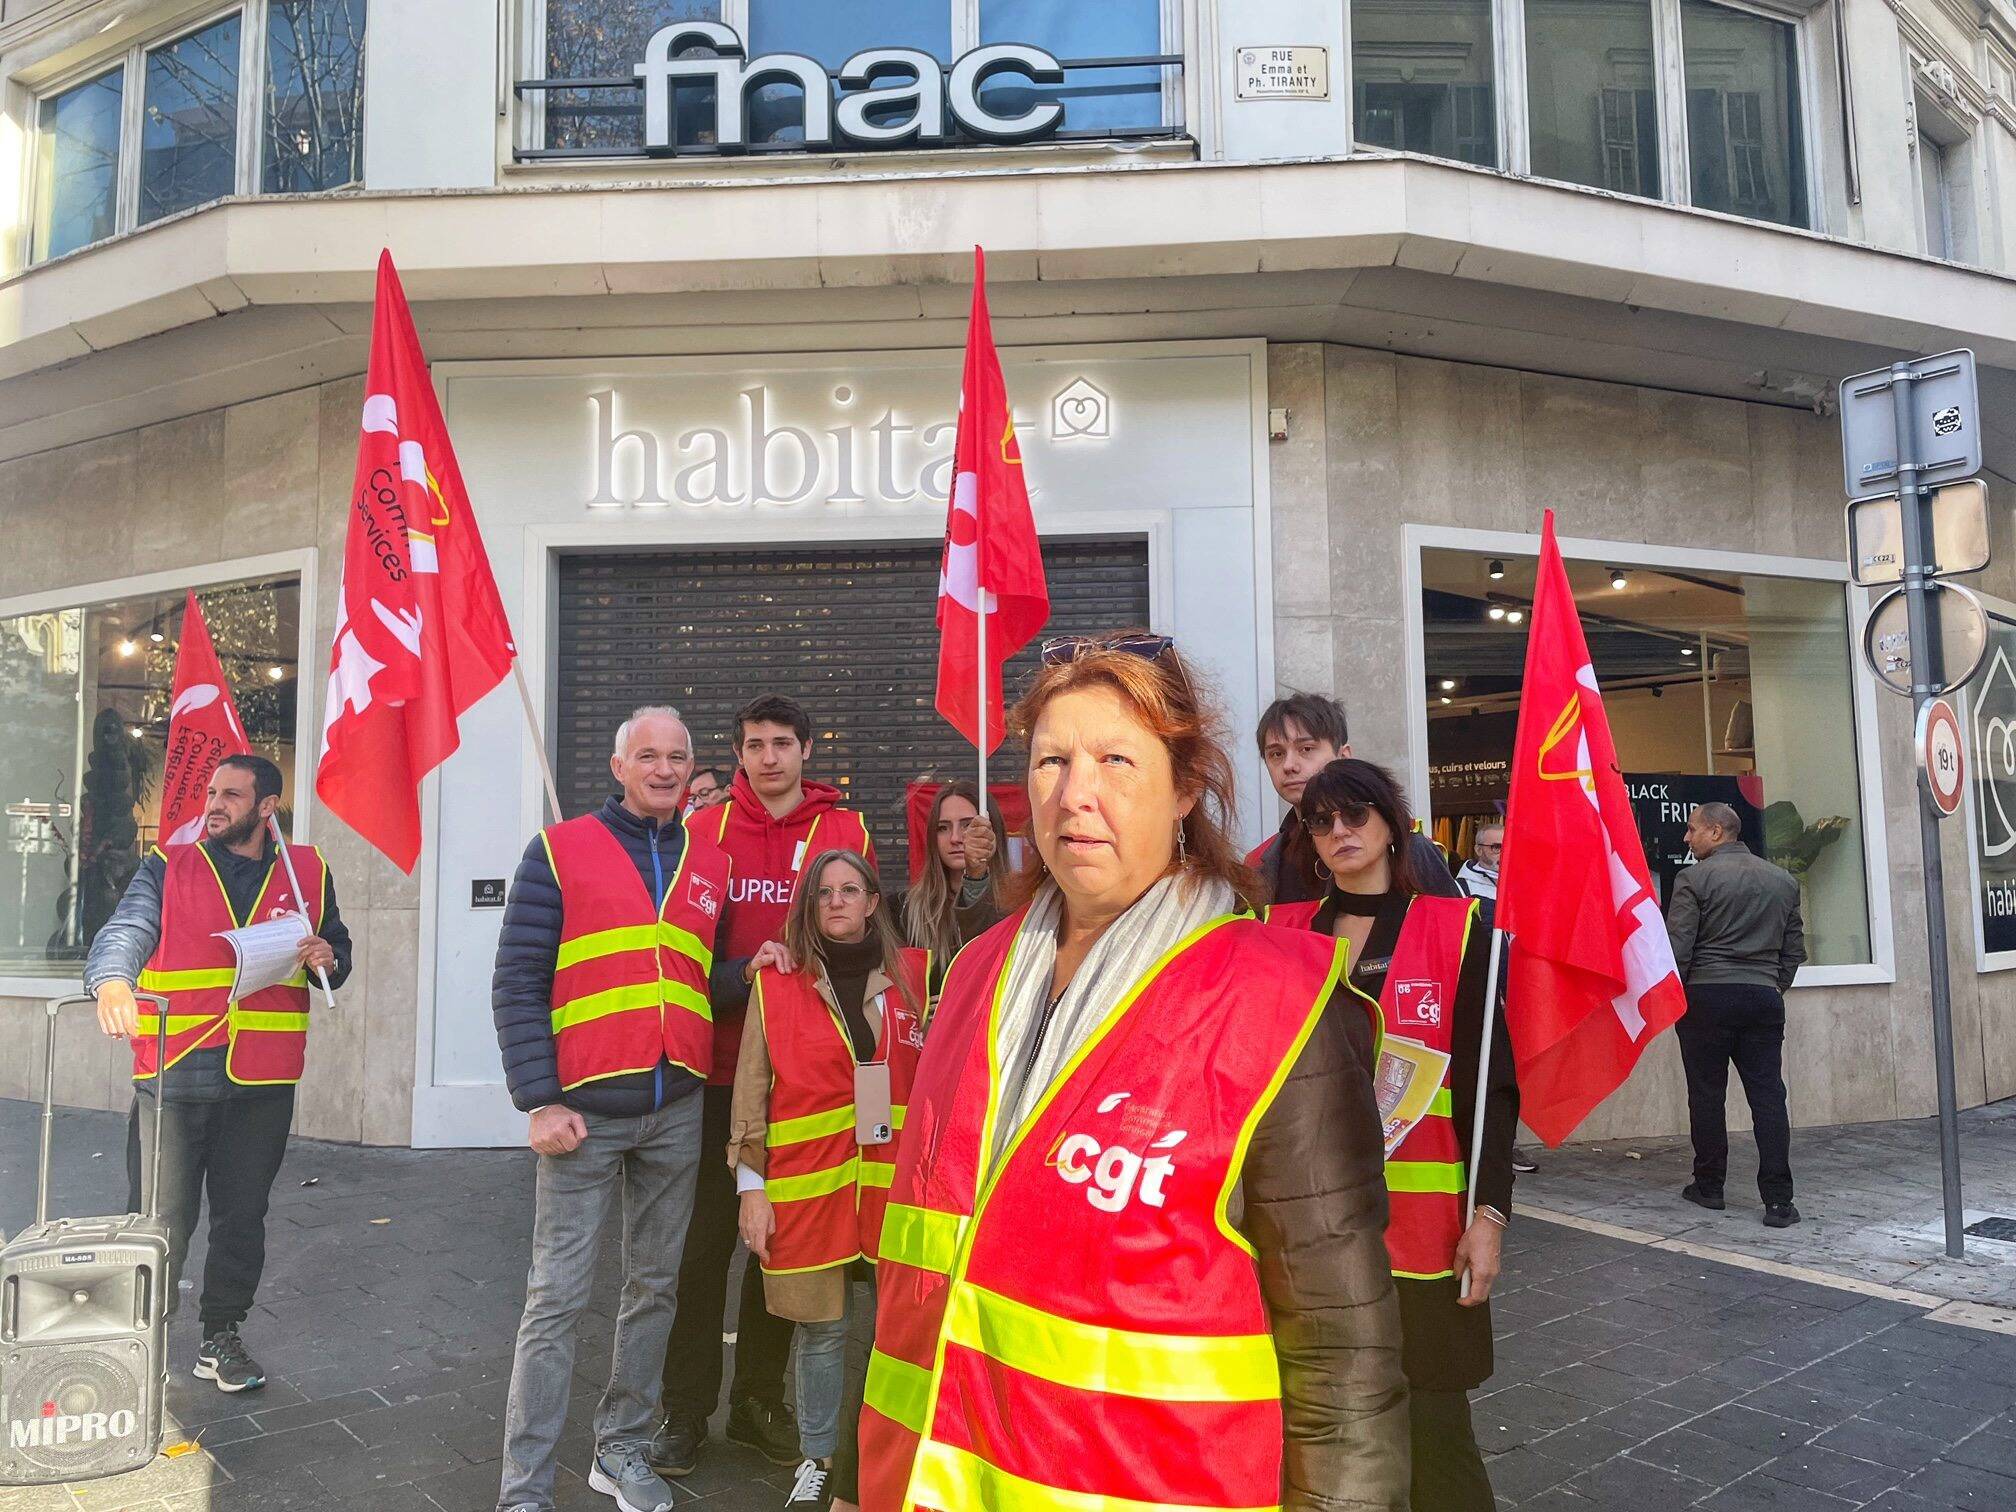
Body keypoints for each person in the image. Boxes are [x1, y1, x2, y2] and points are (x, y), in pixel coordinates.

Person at [859, 631, 1410, 1512]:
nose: (1076, 795)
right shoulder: (971, 976)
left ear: (1187, 785)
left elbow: (1343, 1361)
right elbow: (916, 1276)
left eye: (1116, 759)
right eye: (1050, 762)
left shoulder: (1281, 1005)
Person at [491, 707, 727, 1512]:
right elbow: (517, 980)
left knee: (653, 1289)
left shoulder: (711, 857)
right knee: (555, 1300)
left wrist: (756, 965)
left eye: (677, 757)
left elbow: (686, 979)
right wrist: (539, 1100)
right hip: (581, 1116)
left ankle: (620, 1451)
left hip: (676, 1107)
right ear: (619, 767)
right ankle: (523, 1490)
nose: (664, 769)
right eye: (648, 756)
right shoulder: (557, 851)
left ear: (691, 771)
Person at [1271, 758, 1519, 1512]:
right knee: (1321, 1435)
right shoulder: (1278, 939)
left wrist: (1490, 1216)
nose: (1340, 832)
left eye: (1355, 816)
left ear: (1391, 824)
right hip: (1310, 1239)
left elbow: (1491, 1087)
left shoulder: (1457, 929)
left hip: (1423, 1237)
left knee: (1439, 1436)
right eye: (1322, 821)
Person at [659, 694, 877, 1475]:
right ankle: (683, 1412)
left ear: (808, 749)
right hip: (717, 1078)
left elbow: (869, 946)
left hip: (812, 1090)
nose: (769, 757)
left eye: (782, 742)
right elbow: (677, 960)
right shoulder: (701, 831)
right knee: (702, 1249)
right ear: (740, 751)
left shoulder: (844, 832)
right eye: (754, 744)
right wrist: (737, 979)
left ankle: (757, 1403)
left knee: (778, 1252)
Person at [85, 753, 349, 1395]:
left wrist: (327, 956)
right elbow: (126, 930)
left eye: (232, 795)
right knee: (158, 1217)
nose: (215, 803)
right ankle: (134, 1340)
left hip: (262, 1079)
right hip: (175, 1070)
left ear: (266, 808)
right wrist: (112, 980)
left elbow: (335, 952)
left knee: (242, 1215)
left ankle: (220, 1337)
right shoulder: (166, 867)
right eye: (211, 792)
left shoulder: (305, 869)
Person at [730, 849, 929, 1511]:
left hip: (893, 1189)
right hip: (806, 1186)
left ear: (874, 901)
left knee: (892, 1328)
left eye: (851, 890)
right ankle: (818, 1458)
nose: (838, 901)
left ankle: (870, 1456)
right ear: (808, 907)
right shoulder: (776, 982)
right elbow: (751, 1093)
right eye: (824, 893)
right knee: (821, 1329)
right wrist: (749, 1190)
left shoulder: (917, 978)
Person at [1666, 801, 1806, 1228]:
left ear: (1715, 832)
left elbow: (1678, 949)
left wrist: (1684, 993)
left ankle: (1709, 1186)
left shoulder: (1693, 878)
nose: (1686, 838)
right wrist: (1772, 983)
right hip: (1762, 996)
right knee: (1768, 1097)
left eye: (1692, 830)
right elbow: (1794, 950)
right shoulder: (1782, 880)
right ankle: (1779, 1200)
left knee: (1707, 1095)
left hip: (1706, 996)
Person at [1250, 692, 1453, 905]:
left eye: (1306, 748)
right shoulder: (1263, 860)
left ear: (1343, 756)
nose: (1289, 765)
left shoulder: (1406, 846)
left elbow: (1449, 929)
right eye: (1276, 754)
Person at [896, 780, 1005, 994]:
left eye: (967, 825)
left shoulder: (1019, 907)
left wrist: (976, 876)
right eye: (943, 828)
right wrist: (920, 1013)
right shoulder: (904, 910)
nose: (955, 838)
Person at [1455, 821, 1502, 900]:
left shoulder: (1523, 882)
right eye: (1496, 847)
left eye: (1508, 846)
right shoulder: (1462, 887)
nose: (1504, 853)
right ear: (1479, 850)